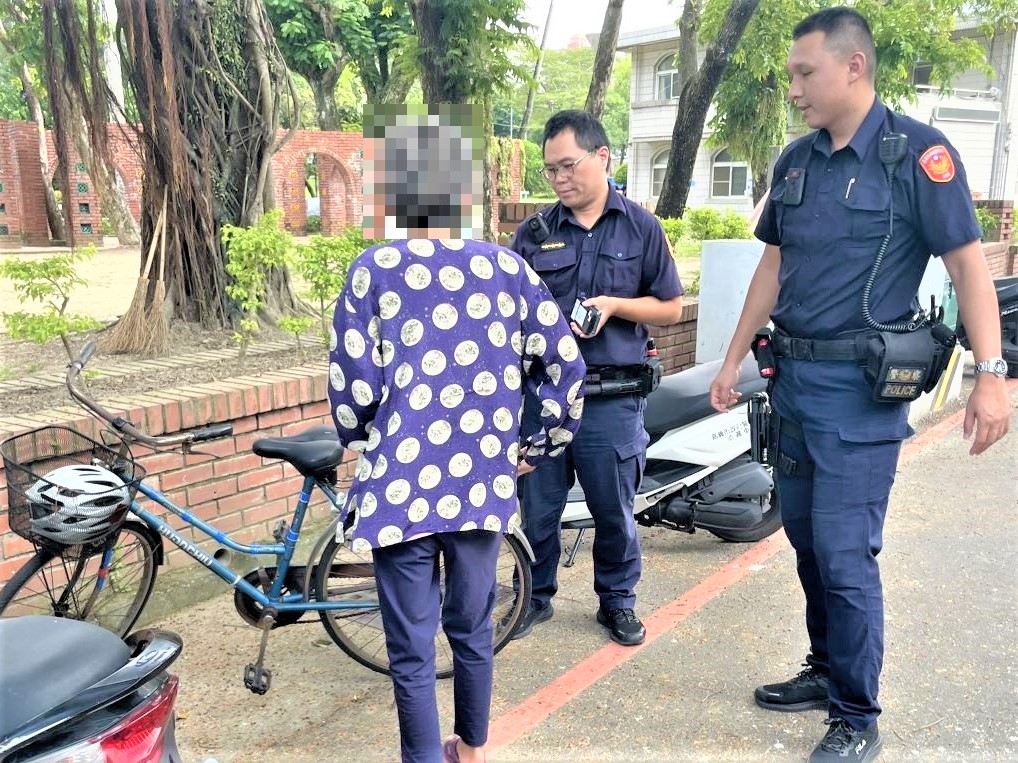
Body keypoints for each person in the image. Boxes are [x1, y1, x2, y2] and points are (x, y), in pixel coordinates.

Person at [708, 8, 1011, 762]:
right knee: (807, 542)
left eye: (804, 73)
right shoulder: (796, 162)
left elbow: (967, 266)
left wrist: (991, 373)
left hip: (860, 394)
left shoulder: (918, 157)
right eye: (791, 76)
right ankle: (825, 667)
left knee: (845, 556)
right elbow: (772, 267)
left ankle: (856, 714)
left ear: (854, 67)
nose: (794, 89)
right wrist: (731, 357)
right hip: (794, 385)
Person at [328, 104, 587, 763]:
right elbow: (565, 366)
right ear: (464, 192)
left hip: (400, 488)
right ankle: (471, 751)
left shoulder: (373, 270)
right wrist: (537, 447)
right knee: (473, 629)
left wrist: (367, 437)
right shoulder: (509, 271)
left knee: (411, 648)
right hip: (480, 481)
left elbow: (353, 390)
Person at [509, 110, 684, 646]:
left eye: (568, 165)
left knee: (613, 511)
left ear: (602, 156)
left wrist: (615, 305)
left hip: (611, 398)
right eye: (550, 170)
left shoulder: (641, 227)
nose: (560, 179)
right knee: (538, 511)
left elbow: (671, 307)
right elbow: (506, 314)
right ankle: (532, 597)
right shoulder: (533, 234)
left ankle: (617, 601)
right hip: (544, 400)